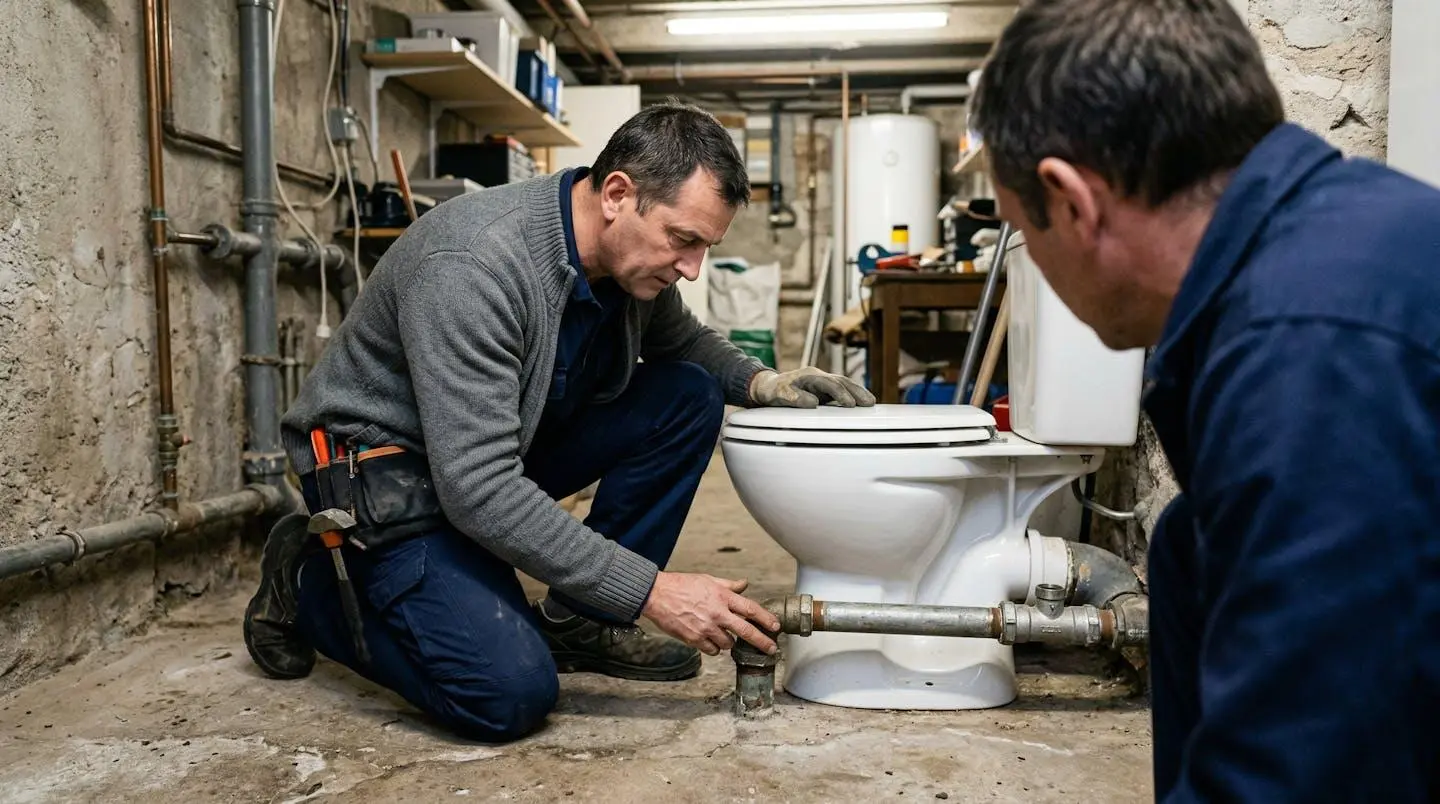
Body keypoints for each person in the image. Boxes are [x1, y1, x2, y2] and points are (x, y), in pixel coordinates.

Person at [242, 101, 875, 742]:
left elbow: (682, 345)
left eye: (705, 246)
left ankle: (583, 621)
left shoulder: (621, 262)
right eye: (684, 240)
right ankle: (306, 579)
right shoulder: (476, 266)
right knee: (508, 693)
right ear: (618, 195)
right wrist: (651, 591)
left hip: (483, 452)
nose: (692, 268)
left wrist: (759, 381)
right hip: (386, 479)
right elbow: (480, 489)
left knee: (686, 395)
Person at [971, 0, 1440, 800]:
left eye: (1025, 231)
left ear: (1074, 203)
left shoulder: (1310, 351)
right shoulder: (1336, 236)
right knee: (1190, 544)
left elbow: (1303, 764)